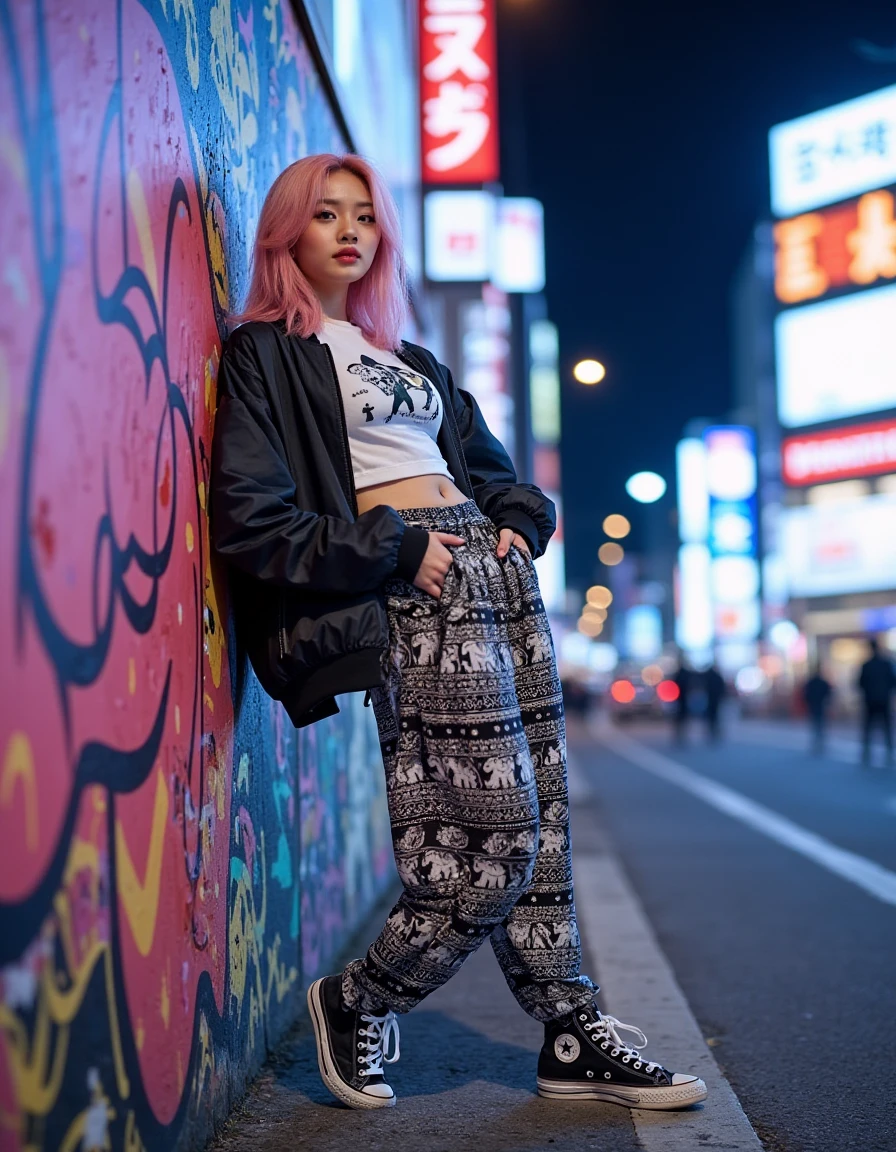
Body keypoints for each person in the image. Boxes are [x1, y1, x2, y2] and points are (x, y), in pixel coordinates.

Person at [210, 154, 706, 1113]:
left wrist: (519, 529)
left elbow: (499, 473)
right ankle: (358, 998)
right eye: (325, 215)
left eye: (364, 217)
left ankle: (569, 1030)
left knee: (546, 822)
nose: (350, 232)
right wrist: (396, 550)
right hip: (414, 587)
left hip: (494, 583)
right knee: (491, 840)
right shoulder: (265, 353)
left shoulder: (411, 360)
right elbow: (252, 521)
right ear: (286, 234)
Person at [856, 638, 896, 765]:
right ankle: (889, 751)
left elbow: (860, 683)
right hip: (883, 699)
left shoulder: (866, 665)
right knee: (886, 727)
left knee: (868, 727)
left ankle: (866, 752)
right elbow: (893, 681)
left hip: (870, 700)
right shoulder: (886, 664)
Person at [802, 665, 832, 756]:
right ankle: (819, 741)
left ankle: (817, 741)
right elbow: (828, 693)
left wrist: (809, 701)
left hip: (814, 705)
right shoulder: (822, 682)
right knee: (820, 723)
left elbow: (806, 694)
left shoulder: (811, 683)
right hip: (820, 704)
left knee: (816, 723)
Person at [702, 664, 726, 742]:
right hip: (715, 699)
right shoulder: (717, 677)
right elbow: (722, 688)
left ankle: (711, 732)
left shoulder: (707, 677)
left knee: (710, 716)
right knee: (714, 716)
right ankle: (713, 732)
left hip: (709, 699)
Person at [671, 658, 691, 745]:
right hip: (683, 700)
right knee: (682, 719)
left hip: (679, 700)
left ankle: (680, 735)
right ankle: (681, 735)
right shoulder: (686, 675)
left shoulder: (678, 675)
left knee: (680, 719)